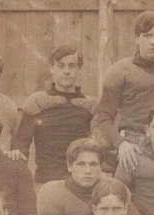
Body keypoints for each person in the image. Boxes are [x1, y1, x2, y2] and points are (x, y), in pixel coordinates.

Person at [91, 11, 154, 173]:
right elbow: (104, 117)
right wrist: (120, 143)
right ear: (137, 38)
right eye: (147, 36)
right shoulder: (120, 71)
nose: (153, 42)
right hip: (132, 145)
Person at [37, 138, 149, 215]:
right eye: (81, 164)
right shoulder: (54, 193)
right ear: (69, 166)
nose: (88, 171)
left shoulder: (114, 188)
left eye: (93, 164)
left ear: (101, 167)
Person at [9, 45, 98, 187]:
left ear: (79, 69)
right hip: (46, 181)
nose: (66, 71)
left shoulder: (89, 106)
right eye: (61, 66)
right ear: (52, 68)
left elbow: (99, 147)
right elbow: (21, 146)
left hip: (80, 182)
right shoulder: (36, 102)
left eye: (72, 66)